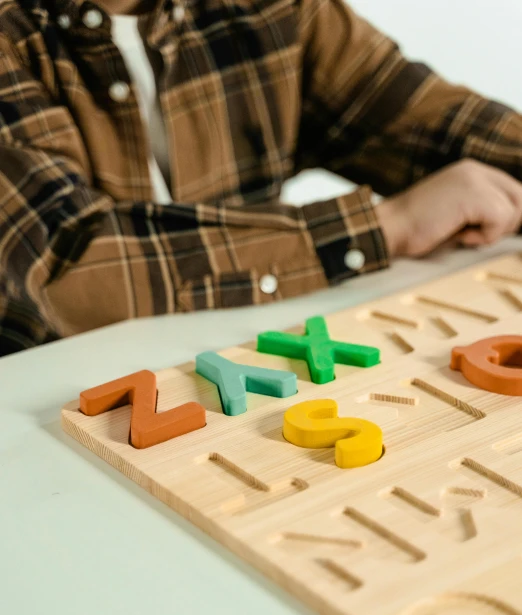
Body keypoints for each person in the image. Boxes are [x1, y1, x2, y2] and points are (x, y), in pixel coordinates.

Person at [1, 0, 521, 356]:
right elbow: (70, 266)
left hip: (238, 369)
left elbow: (422, 117)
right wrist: (387, 226)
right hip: (39, 423)